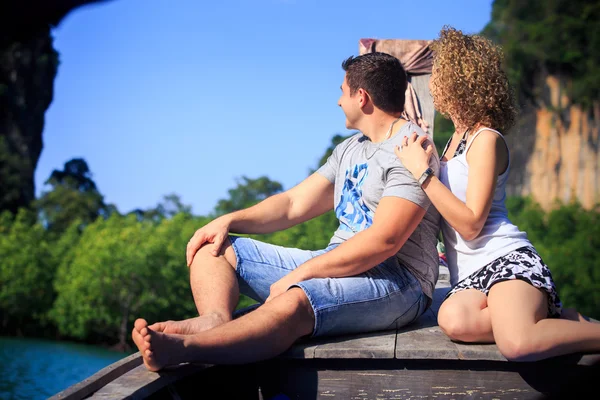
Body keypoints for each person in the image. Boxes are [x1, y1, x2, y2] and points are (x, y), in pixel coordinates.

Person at [131, 52, 441, 371]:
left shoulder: (412, 148)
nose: (338, 101)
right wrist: (227, 220)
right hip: (336, 258)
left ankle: (185, 348)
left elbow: (384, 241)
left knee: (295, 299)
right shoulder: (350, 149)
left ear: (361, 97)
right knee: (213, 248)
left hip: (399, 282)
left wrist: (300, 274)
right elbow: (293, 204)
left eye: (342, 91)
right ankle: (215, 321)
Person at [395, 26, 600, 362]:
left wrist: (423, 173)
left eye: (437, 75)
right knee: (452, 319)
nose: (431, 86)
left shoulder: (486, 139)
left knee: (518, 344)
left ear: (455, 80)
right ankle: (552, 320)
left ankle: (553, 326)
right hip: (469, 279)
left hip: (504, 261)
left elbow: (472, 224)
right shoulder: (452, 142)